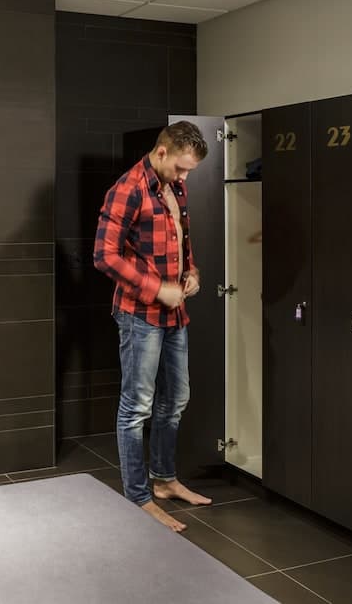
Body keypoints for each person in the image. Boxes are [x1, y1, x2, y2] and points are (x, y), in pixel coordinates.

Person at [93, 121, 212, 533]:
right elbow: (104, 255)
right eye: (180, 168)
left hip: (174, 313)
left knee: (176, 398)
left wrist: (192, 273)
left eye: (189, 171)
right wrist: (156, 289)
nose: (184, 177)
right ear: (161, 152)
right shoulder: (127, 189)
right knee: (136, 407)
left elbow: (181, 241)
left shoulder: (175, 187)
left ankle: (163, 480)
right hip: (139, 313)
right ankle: (138, 497)